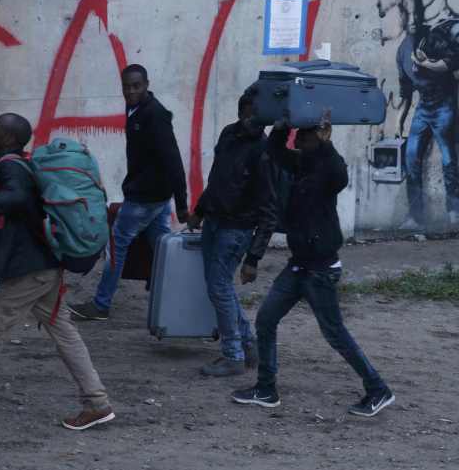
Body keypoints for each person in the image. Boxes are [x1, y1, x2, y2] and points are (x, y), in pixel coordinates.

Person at [0, 113, 114, 431]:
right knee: (65, 333)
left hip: (30, 272)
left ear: (10, 139)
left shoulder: (12, 168)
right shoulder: (9, 159)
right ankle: (97, 404)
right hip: (45, 268)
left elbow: (17, 196)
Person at [231, 111, 394, 417]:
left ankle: (377, 388)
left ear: (315, 139)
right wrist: (281, 129)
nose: (298, 141)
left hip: (320, 269)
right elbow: (276, 152)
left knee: (335, 333)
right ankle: (266, 389)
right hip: (299, 265)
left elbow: (339, 176)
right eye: (298, 137)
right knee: (266, 319)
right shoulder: (302, 163)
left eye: (303, 137)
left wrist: (326, 143)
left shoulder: (328, 166)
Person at [69, 64, 189, 321]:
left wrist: (182, 202)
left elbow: (173, 159)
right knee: (162, 249)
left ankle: (101, 304)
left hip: (146, 197)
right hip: (154, 196)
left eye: (136, 86)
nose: (131, 91)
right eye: (126, 86)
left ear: (147, 84)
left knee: (117, 244)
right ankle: (176, 298)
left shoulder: (155, 116)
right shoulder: (135, 109)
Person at [186, 92, 276, 377]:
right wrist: (200, 209)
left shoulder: (263, 150)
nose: (255, 122)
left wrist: (254, 257)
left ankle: (233, 355)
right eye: (251, 115)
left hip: (236, 229)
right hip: (215, 221)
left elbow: (269, 210)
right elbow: (217, 178)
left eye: (260, 117)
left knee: (219, 287)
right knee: (220, 286)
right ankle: (247, 346)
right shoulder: (229, 135)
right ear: (241, 113)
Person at [396, 18, 459, 231]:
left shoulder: (436, 37)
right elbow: (406, 91)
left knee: (447, 158)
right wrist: (399, 121)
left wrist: (425, 63)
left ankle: (454, 212)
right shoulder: (402, 51)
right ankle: (415, 216)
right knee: (411, 157)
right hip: (423, 108)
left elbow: (449, 63)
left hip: (444, 105)